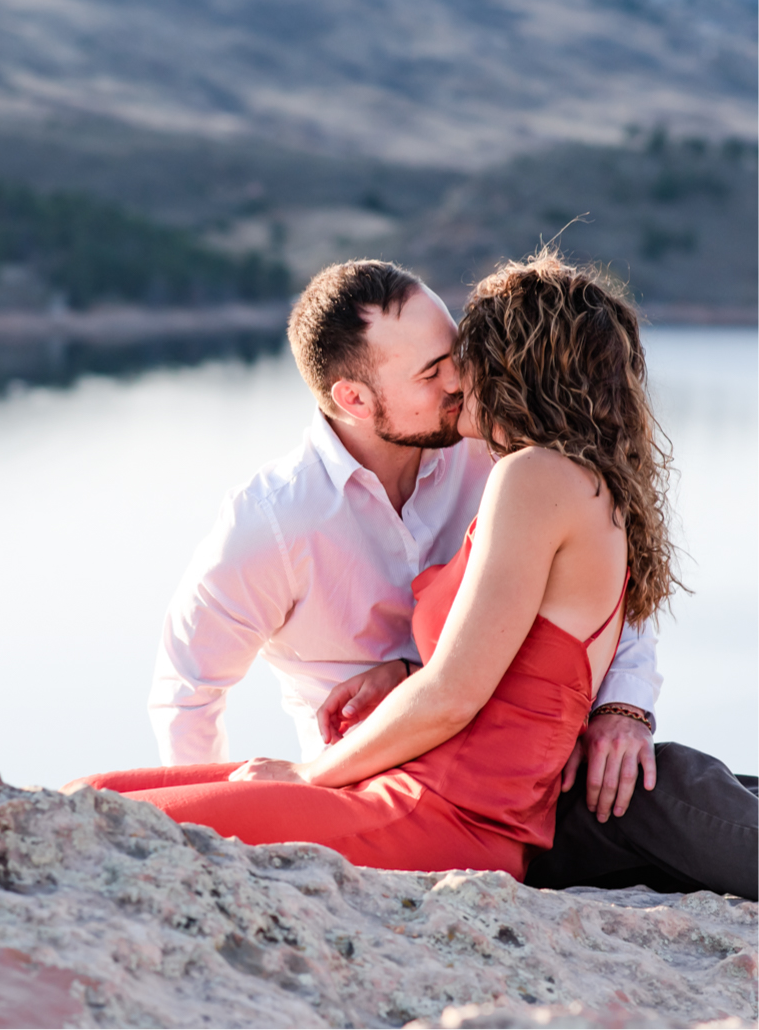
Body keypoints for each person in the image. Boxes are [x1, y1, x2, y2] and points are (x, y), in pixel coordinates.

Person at [69, 254, 757, 894]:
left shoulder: (519, 473)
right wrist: (396, 680)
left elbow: (459, 691)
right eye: (434, 373)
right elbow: (189, 688)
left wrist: (624, 706)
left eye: (464, 359)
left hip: (444, 802)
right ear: (356, 399)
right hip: (380, 777)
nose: (456, 382)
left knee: (110, 835)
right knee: (92, 795)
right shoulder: (277, 517)